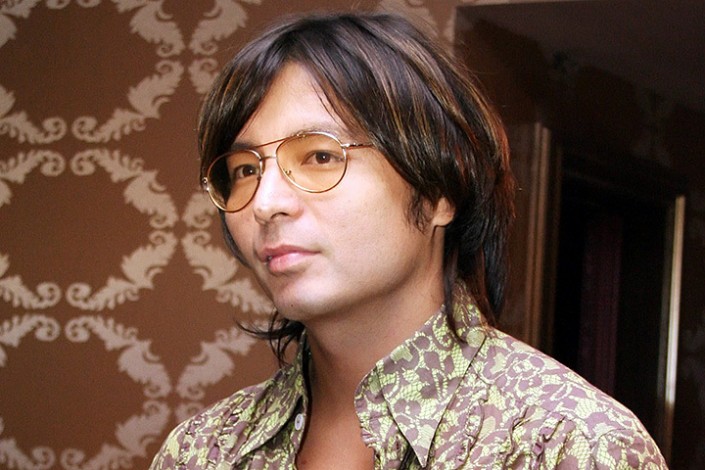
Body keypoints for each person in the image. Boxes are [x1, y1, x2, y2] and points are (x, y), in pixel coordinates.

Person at [150, 11, 667, 469]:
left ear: (441, 190)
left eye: (320, 156)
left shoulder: (567, 445)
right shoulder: (202, 451)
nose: (264, 203)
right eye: (245, 170)